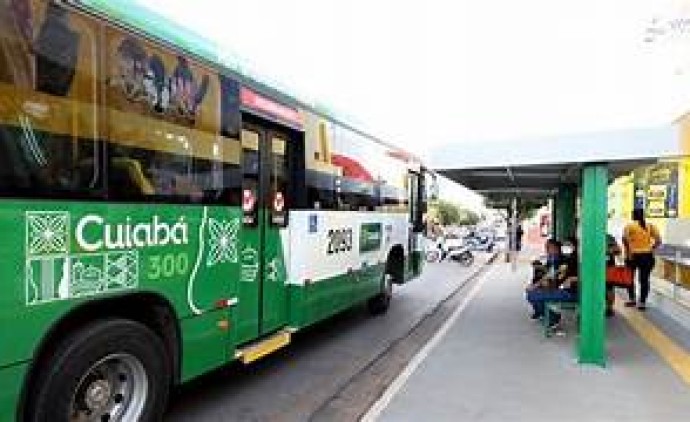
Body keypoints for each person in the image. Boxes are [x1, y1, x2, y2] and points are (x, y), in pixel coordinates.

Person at [526, 238, 578, 328]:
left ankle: (553, 319)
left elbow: (554, 274)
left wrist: (537, 284)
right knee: (533, 292)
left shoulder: (570, 259)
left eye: (569, 245)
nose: (547, 250)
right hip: (560, 289)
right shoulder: (562, 258)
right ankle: (546, 315)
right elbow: (553, 274)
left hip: (569, 292)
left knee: (533, 295)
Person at [622, 208, 662, 311]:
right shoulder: (650, 226)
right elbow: (658, 240)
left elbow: (625, 241)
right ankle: (642, 302)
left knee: (629, 278)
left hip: (632, 256)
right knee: (644, 280)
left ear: (633, 216)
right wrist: (651, 248)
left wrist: (629, 254)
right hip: (647, 256)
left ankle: (632, 299)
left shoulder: (629, 226)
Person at [605, 234, 622, 317]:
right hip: (607, 266)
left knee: (609, 288)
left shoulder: (609, 237)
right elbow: (618, 251)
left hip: (608, 266)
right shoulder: (609, 237)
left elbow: (618, 251)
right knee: (609, 287)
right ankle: (609, 308)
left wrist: (609, 251)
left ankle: (609, 308)